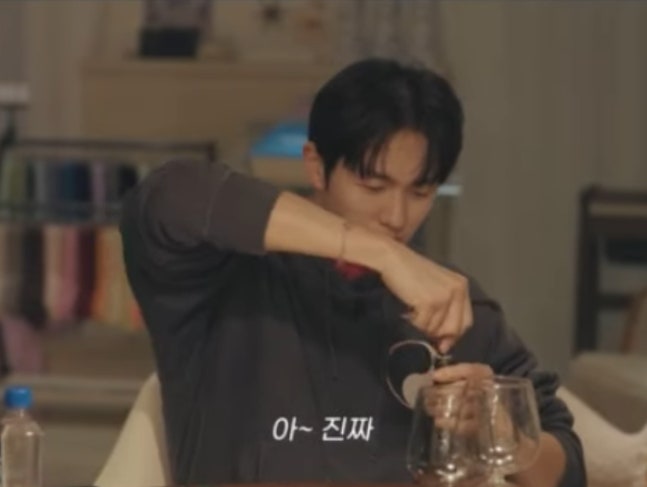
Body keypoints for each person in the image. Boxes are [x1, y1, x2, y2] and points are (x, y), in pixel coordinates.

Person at [120, 58, 585, 486]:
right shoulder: (224, 278)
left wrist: (502, 434)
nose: (397, 217)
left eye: (420, 192)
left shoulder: (452, 307)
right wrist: (385, 255)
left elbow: (567, 468)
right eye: (372, 185)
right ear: (316, 167)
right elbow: (170, 195)